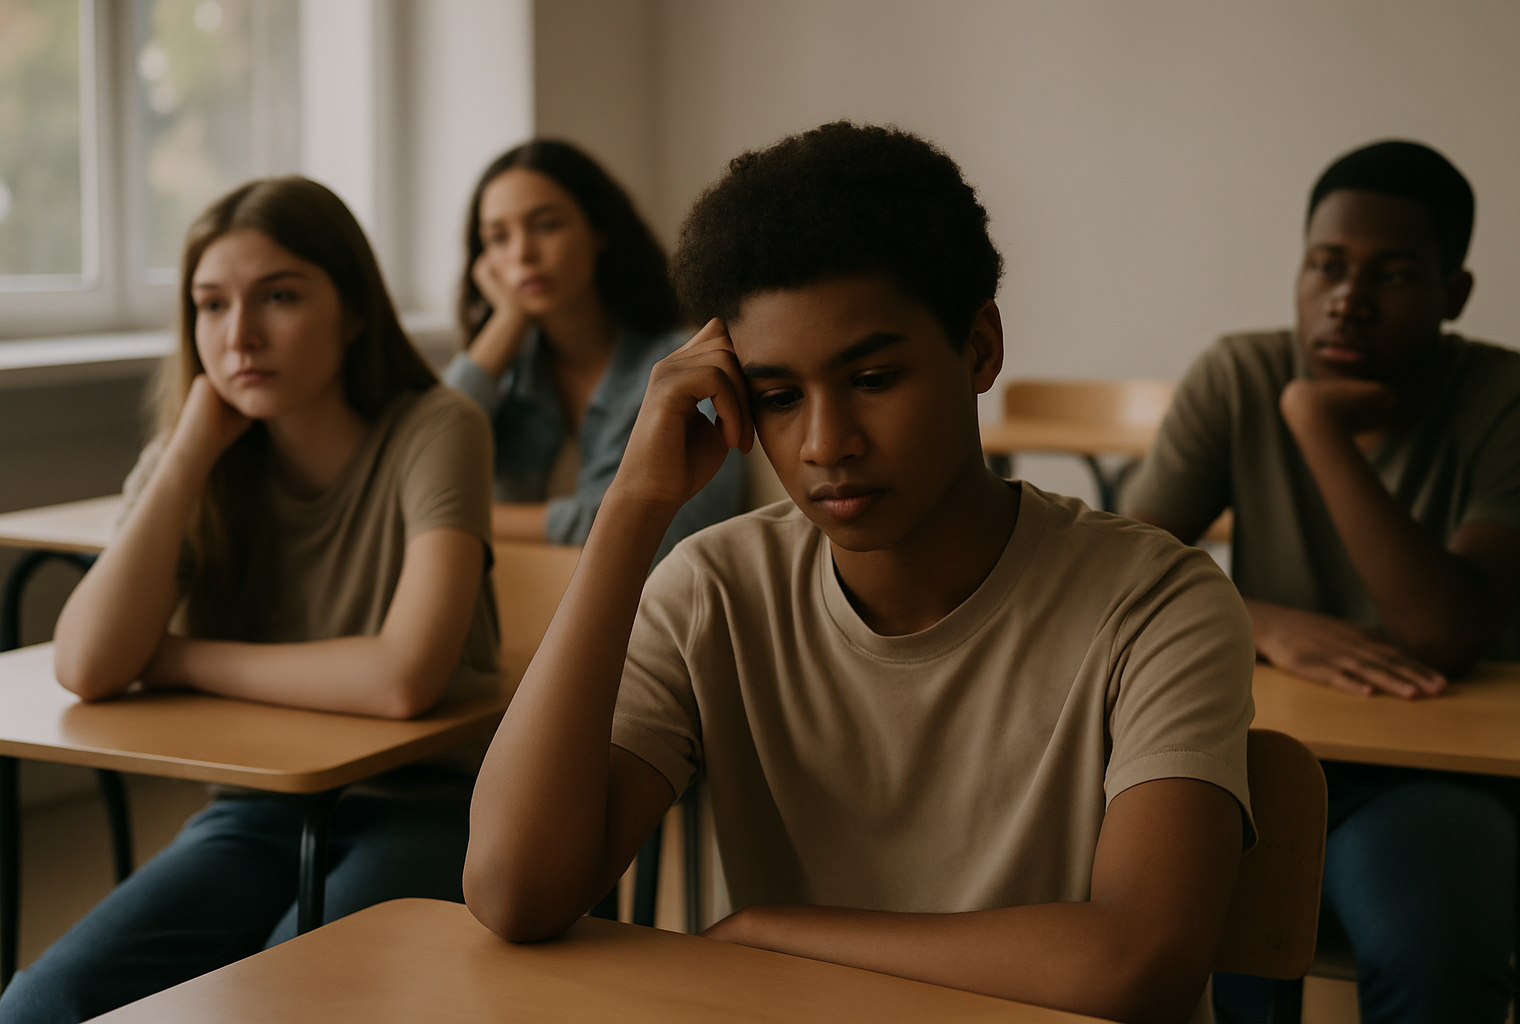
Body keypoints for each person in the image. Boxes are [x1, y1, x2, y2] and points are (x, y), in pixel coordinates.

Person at [463, 122, 1257, 1024]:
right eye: (777, 397)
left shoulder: (1159, 601)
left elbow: (1137, 964)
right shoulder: (715, 590)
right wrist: (631, 507)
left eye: (874, 378)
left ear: (979, 348)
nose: (825, 443)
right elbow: (514, 891)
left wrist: (772, 932)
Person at [0, 177, 500, 1024]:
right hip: (256, 812)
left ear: (353, 311)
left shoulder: (438, 427)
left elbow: (402, 679)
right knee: (39, 1005)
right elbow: (87, 664)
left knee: (266, 1003)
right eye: (210, 305)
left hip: (433, 805)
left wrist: (177, 660)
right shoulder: (193, 456)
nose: (239, 336)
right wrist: (188, 453)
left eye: (279, 296)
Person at [1126, 140, 1520, 1024]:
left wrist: (1313, 420)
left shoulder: (1509, 397)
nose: (1348, 299)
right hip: (1259, 747)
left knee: (1434, 956)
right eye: (1327, 265)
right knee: (1211, 939)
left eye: (1394, 275)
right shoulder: (1238, 374)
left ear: (1454, 294)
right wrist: (1255, 617)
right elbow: (1116, 578)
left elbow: (1446, 631)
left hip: (1440, 771)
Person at [442, 139, 744, 554]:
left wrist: (463, 518)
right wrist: (507, 320)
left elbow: (653, 534)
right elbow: (419, 457)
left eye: (546, 225)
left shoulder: (687, 370)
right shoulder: (507, 377)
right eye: (498, 237)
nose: (522, 253)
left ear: (599, 230)